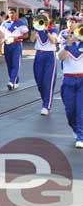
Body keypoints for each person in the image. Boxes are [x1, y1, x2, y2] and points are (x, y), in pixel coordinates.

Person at [57, 20, 83, 148]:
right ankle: (76, 129)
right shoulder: (66, 43)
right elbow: (60, 57)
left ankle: (81, 136)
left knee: (80, 110)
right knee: (70, 111)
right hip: (68, 80)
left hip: (82, 81)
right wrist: (68, 45)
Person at [30, 19, 58, 115]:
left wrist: (46, 31)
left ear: (49, 20)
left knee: (48, 82)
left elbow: (54, 41)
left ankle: (46, 105)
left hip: (49, 56)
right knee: (39, 82)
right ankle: (45, 100)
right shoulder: (37, 29)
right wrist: (35, 29)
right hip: (39, 55)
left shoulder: (53, 30)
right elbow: (31, 39)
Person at [1, 8, 29, 90]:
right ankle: (15, 81)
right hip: (7, 45)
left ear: (15, 13)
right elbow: (1, 35)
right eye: (10, 13)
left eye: (13, 13)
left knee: (15, 63)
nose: (11, 14)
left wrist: (18, 37)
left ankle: (11, 81)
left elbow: (26, 35)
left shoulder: (20, 23)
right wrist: (2, 43)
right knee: (9, 64)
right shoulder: (4, 24)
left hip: (16, 45)